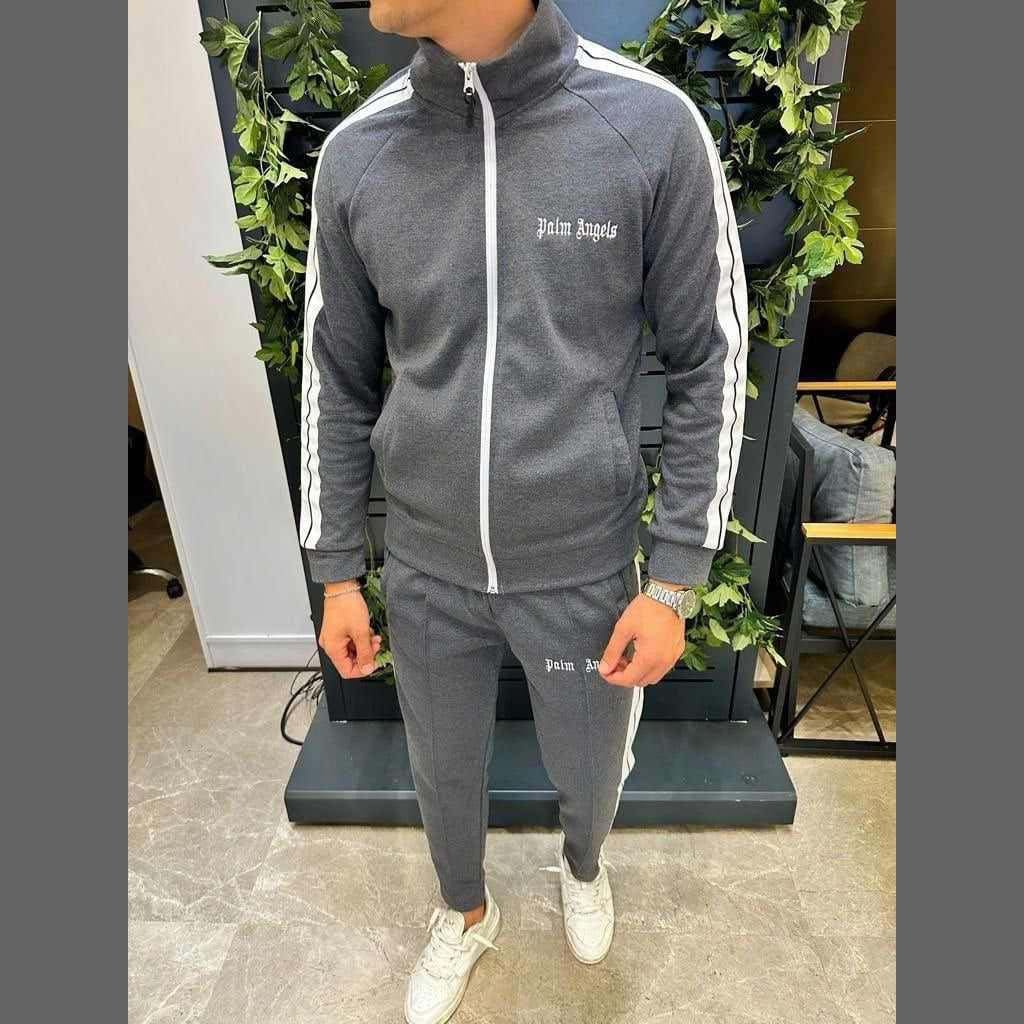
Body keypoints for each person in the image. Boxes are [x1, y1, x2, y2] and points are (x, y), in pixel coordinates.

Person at [299, 1, 747, 1020]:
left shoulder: (648, 125)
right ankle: (463, 910)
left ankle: (583, 865)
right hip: (426, 568)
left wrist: (675, 581)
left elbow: (711, 363)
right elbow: (335, 378)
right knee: (441, 769)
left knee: (590, 765)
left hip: (581, 567)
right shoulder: (359, 154)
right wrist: (336, 570)